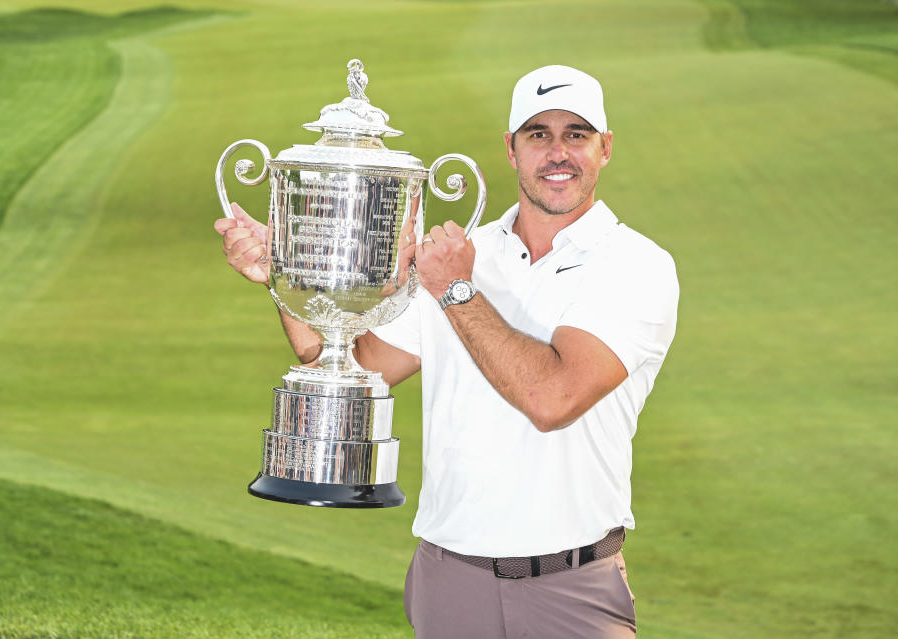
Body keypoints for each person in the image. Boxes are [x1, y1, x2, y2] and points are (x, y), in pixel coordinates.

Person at [216, 65, 679, 638]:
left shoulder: (634, 264)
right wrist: (283, 278)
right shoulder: (464, 251)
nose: (557, 153)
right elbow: (342, 364)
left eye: (575, 135)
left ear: (605, 148)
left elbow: (551, 398)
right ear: (510, 151)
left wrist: (456, 290)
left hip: (571, 587)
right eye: (538, 135)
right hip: (448, 579)